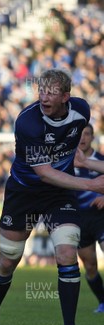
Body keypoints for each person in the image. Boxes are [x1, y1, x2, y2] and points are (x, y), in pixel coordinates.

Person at [0, 69, 104, 325]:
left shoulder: (81, 111)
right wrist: (91, 185)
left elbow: (70, 149)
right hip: (25, 192)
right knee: (8, 260)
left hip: (59, 195)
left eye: (51, 92)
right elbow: (44, 172)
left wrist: (83, 162)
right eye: (41, 91)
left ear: (66, 96)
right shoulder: (28, 122)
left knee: (68, 251)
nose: (44, 97)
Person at [74, 124, 104, 313]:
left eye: (87, 134)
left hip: (100, 216)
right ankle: (102, 301)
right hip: (78, 219)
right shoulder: (67, 160)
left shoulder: (100, 161)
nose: (83, 138)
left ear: (93, 137)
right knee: (90, 265)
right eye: (80, 134)